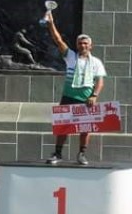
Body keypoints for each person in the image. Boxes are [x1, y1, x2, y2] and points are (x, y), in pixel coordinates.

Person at [44, 11, 106, 165]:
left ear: (91, 46)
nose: (83, 45)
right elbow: (58, 40)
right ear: (77, 45)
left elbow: (100, 82)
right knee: (63, 126)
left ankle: (82, 154)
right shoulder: (70, 56)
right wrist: (51, 23)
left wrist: (94, 96)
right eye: (80, 43)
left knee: (86, 127)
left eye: (86, 43)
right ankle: (57, 153)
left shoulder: (96, 62)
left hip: (86, 99)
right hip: (68, 96)